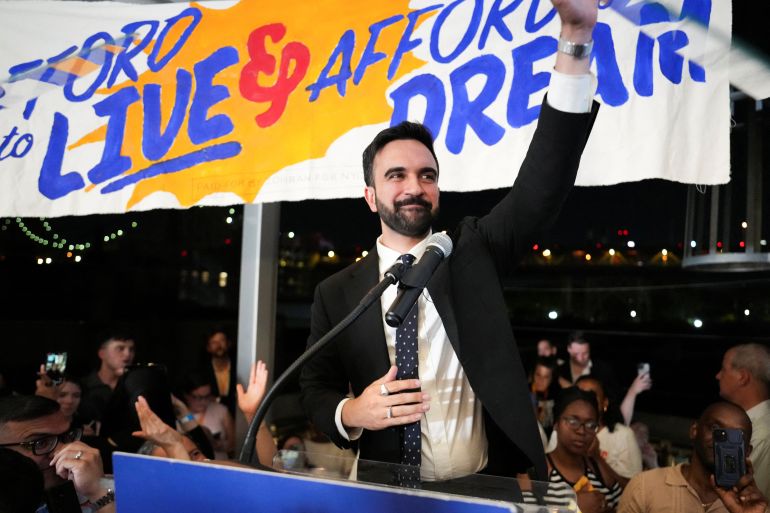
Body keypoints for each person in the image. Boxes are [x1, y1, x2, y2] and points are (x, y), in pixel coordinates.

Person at [300, 0, 600, 483]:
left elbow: (540, 189)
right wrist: (352, 412)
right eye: (396, 175)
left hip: (481, 490)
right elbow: (315, 387)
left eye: (427, 175)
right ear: (370, 195)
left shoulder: (471, 252)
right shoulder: (335, 293)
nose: (414, 186)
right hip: (384, 494)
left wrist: (577, 35)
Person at [617, 401, 765, 513]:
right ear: (694, 431)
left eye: (735, 437)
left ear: (747, 451)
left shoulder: (750, 503)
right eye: (715, 428)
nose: (722, 442)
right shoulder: (645, 485)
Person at [0, 395, 115, 513]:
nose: (64, 450)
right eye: (41, 443)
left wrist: (99, 491)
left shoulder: (99, 485)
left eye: (68, 436)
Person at [537, 387, 623, 512]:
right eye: (573, 421)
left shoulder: (599, 470)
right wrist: (574, 509)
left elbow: (622, 506)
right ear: (556, 423)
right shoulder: (539, 473)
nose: (581, 431)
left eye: (590, 425)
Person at [716, 343, 770, 499]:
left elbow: (739, 498)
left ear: (742, 377)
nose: (718, 376)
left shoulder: (759, 434)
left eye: (723, 369)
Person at [575, 376, 642, 482]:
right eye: (578, 395)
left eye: (591, 395)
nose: (584, 401)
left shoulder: (622, 435)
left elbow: (633, 488)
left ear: (604, 403)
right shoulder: (562, 432)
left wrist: (597, 457)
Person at [79, 334, 135, 424]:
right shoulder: (81, 387)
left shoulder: (135, 388)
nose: (127, 355)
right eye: (120, 348)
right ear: (102, 353)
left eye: (131, 349)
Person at [182, 372, 235, 459]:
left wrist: (217, 444)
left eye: (207, 396)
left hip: (219, 462)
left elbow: (234, 444)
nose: (204, 402)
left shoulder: (220, 410)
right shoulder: (181, 414)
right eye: (198, 397)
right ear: (186, 395)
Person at [198, 329, 237, 414]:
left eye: (222, 340)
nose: (219, 345)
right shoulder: (202, 370)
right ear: (208, 347)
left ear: (229, 343)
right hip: (211, 415)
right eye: (214, 342)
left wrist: (218, 399)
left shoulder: (238, 367)